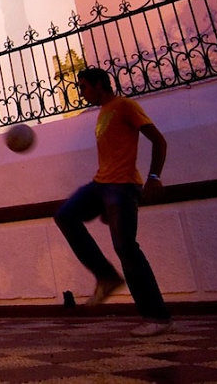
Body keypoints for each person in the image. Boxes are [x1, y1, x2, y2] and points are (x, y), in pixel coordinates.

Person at [55, 67, 172, 337]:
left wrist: (154, 176)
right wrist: (103, 206)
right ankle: (106, 276)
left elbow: (158, 140)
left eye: (84, 87)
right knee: (65, 215)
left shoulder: (125, 106)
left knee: (127, 250)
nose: (82, 93)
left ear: (99, 84)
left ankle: (158, 317)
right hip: (101, 185)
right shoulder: (103, 112)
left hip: (122, 187)